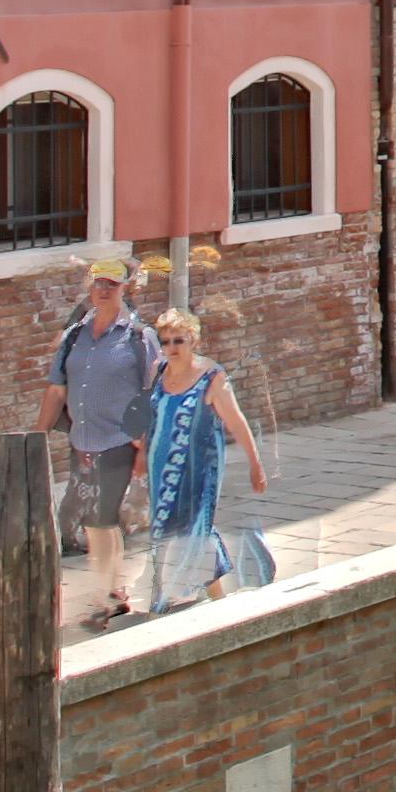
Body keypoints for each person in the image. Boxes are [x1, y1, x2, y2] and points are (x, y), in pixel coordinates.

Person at [42, 265, 157, 628]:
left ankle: (103, 596)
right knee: (97, 522)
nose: (104, 290)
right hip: (84, 442)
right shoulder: (75, 335)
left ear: (126, 288)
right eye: (98, 284)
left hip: (121, 440)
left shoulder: (139, 337)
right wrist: (35, 436)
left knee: (101, 517)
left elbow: (153, 391)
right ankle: (114, 591)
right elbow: (56, 388)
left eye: (112, 284)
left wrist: (143, 446)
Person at [139, 312, 274, 614]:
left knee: (195, 526)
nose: (172, 348)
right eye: (166, 342)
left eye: (179, 340)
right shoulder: (159, 371)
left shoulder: (212, 377)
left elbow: (236, 422)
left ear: (193, 340)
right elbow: (152, 418)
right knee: (165, 525)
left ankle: (165, 598)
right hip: (161, 464)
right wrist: (140, 453)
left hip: (200, 466)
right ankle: (211, 595)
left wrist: (256, 464)